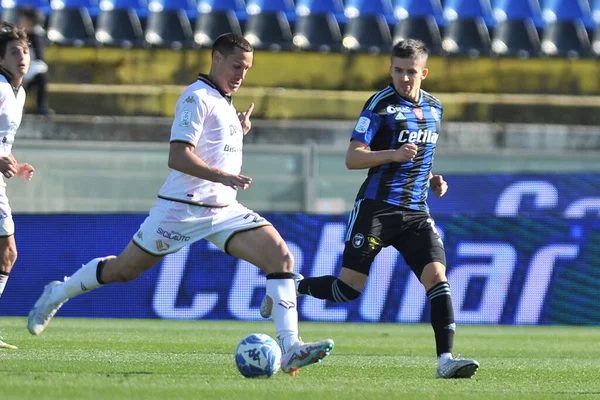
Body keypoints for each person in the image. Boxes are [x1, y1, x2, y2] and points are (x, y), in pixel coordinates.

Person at [27, 33, 333, 375]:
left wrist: (238, 130)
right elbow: (178, 156)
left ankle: (290, 346)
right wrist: (222, 175)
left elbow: (211, 145)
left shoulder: (225, 101)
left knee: (281, 257)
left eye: (246, 69)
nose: (241, 75)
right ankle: (59, 291)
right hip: (182, 209)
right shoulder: (196, 97)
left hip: (223, 209)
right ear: (216, 58)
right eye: (236, 66)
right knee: (124, 270)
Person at [261, 39, 479, 378]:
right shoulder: (380, 106)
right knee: (346, 290)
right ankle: (291, 288)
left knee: (438, 279)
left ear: (424, 72)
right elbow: (353, 157)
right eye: (398, 71)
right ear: (390, 69)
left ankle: (445, 360)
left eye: (411, 72)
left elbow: (421, 157)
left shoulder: (436, 108)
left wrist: (433, 180)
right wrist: (391, 154)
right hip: (376, 209)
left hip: (416, 213)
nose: (404, 79)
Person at [0, 22, 35, 350]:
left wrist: (12, 160)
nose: (22, 56)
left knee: (6, 254)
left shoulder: (19, 91)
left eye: (24, 50)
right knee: (7, 252)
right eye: (14, 52)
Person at [18, 6, 53, 116]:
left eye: (24, 20)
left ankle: (41, 106)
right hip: (16, 70)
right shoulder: (17, 36)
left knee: (43, 76)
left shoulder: (37, 37)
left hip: (28, 73)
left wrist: (26, 77)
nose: (21, 22)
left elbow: (40, 63)